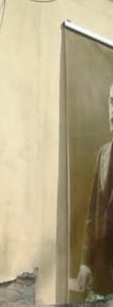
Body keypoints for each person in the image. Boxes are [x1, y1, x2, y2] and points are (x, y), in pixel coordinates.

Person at [77, 84, 113, 294]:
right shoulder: (103, 154)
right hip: (103, 273)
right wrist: (85, 262)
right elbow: (92, 214)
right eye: (111, 102)